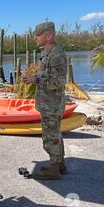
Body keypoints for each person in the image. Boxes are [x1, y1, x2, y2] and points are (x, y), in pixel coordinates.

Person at [23, 22, 68, 180]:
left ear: (48, 36)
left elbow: (59, 81)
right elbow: (48, 76)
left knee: (50, 135)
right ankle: (60, 163)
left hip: (52, 104)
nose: (35, 37)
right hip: (49, 103)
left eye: (38, 34)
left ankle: (54, 168)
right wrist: (34, 79)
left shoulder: (56, 54)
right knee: (54, 133)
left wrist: (36, 79)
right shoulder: (49, 52)